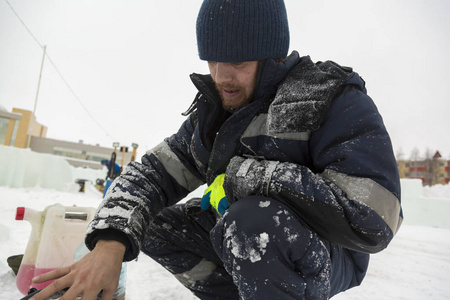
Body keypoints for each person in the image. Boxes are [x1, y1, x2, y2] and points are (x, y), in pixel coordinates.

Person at [30, 0, 402, 299]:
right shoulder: (217, 114)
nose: (222, 75)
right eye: (213, 58)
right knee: (155, 225)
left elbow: (372, 220)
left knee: (252, 222)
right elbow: (152, 174)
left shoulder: (328, 97)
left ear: (270, 54)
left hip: (329, 255)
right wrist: (110, 242)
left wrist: (246, 176)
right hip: (250, 238)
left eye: (238, 60)